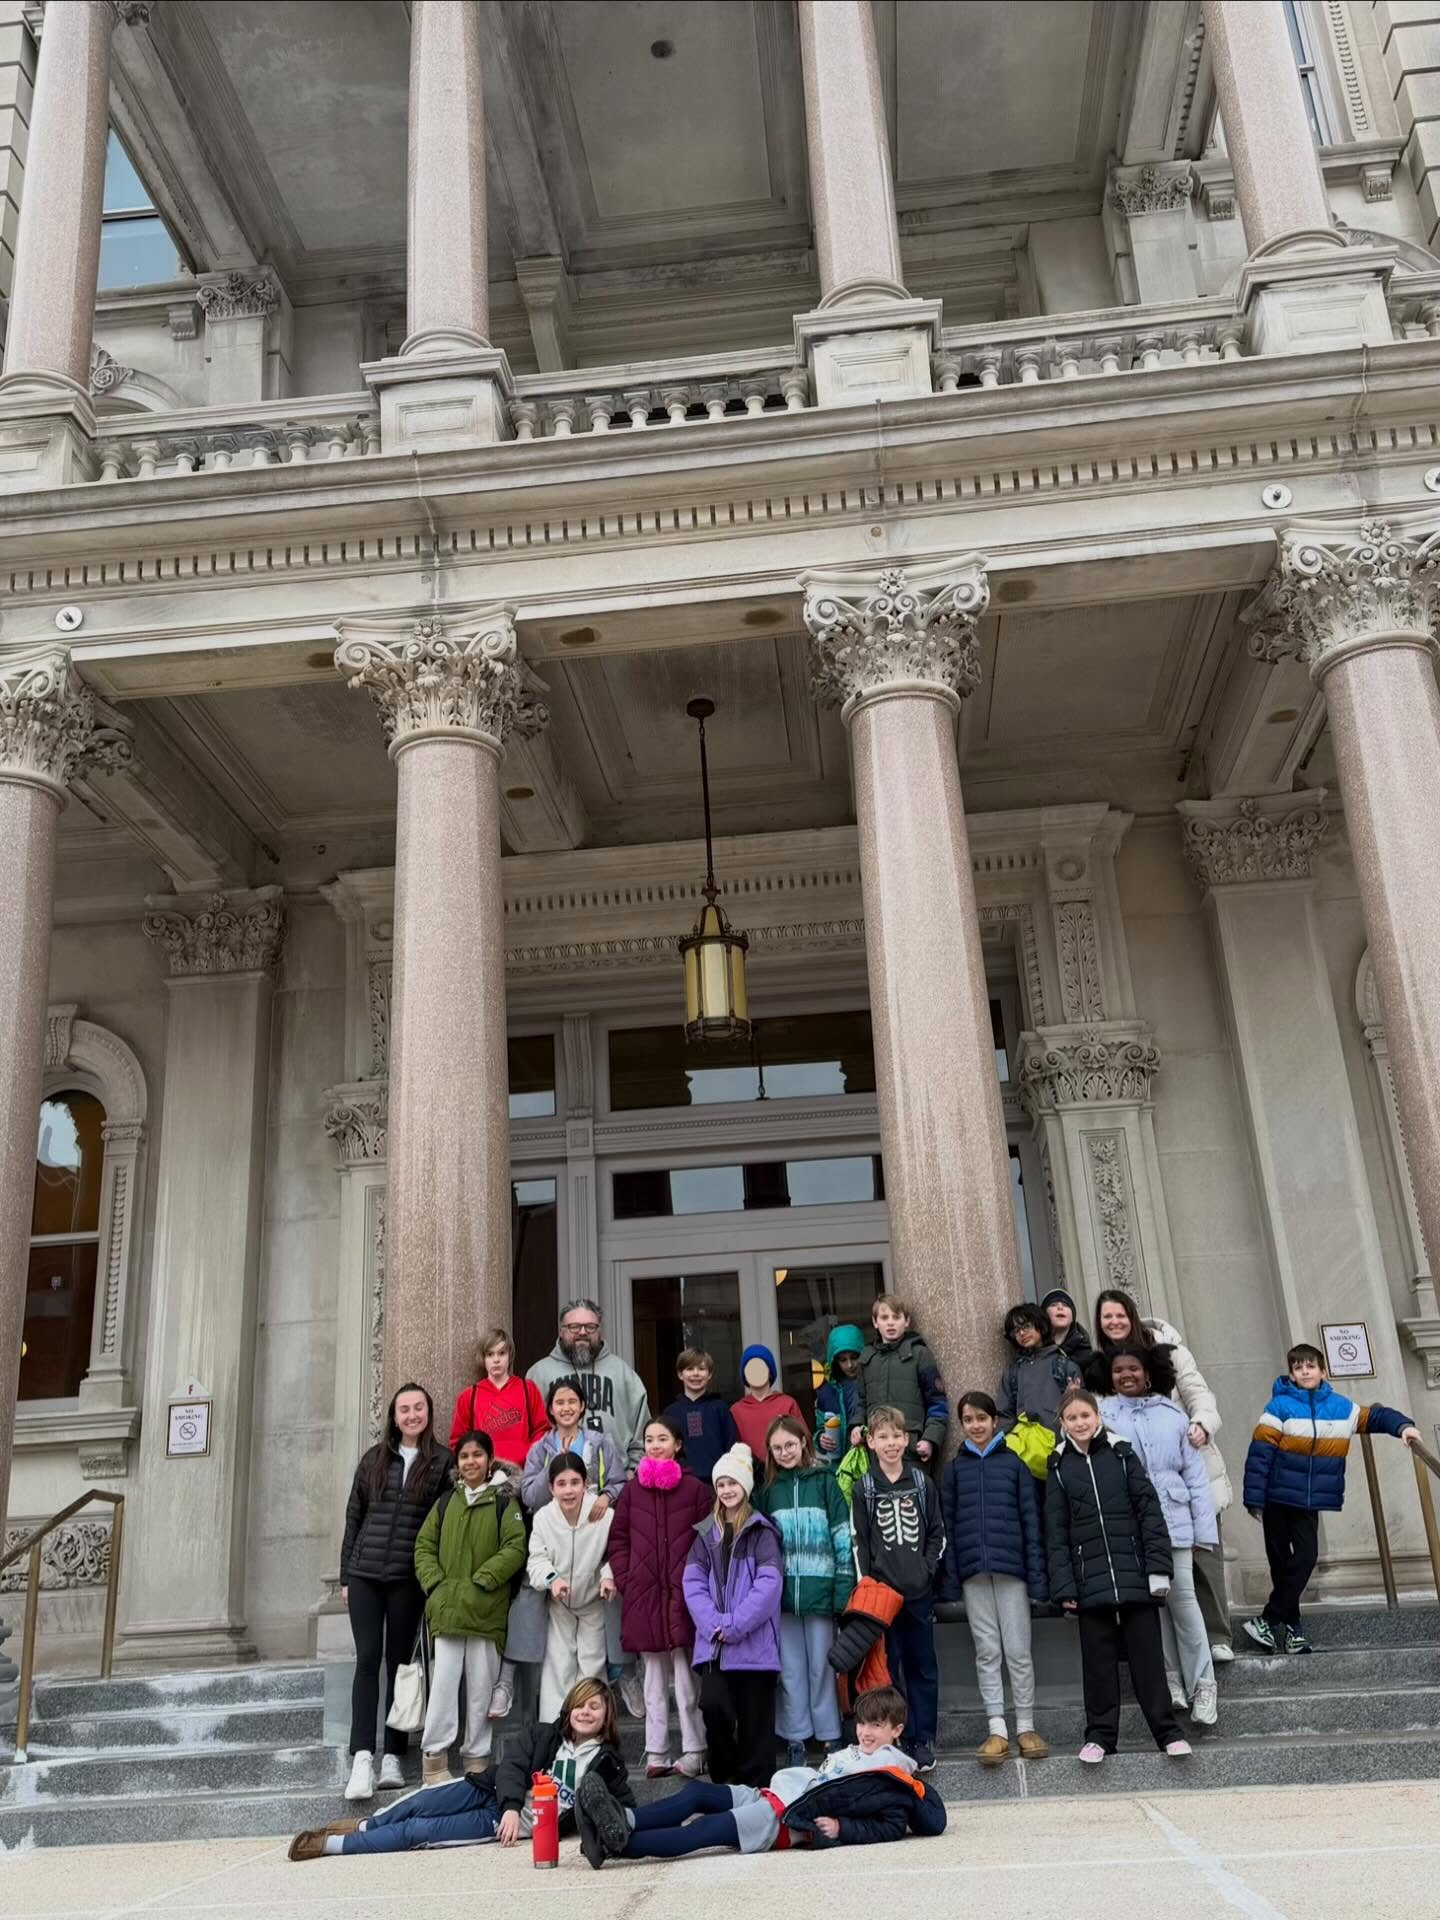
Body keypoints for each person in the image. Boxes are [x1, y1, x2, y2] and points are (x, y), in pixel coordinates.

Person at [573, 1684, 945, 1867]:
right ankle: (623, 1821)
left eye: (876, 1726)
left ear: (897, 1730)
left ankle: (614, 1844)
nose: (865, 1732)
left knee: (702, 1831)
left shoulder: (893, 1777)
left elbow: (891, 1825)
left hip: (786, 1818)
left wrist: (842, 1829)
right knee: (696, 1795)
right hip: (776, 1794)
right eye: (863, 1723)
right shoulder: (859, 1752)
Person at [286, 1677, 631, 1859]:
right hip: (489, 1791)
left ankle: (330, 1846)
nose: (586, 1712)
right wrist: (512, 1806)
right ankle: (362, 1827)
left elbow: (625, 1808)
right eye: (580, 1705)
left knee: (418, 1833)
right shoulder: (544, 1734)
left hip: (501, 1824)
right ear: (568, 1708)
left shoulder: (607, 1764)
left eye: (595, 1707)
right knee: (419, 1802)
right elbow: (512, 1765)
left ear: (606, 1716)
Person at [1242, 1342, 1420, 1654]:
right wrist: (1254, 1500)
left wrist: (1403, 1427)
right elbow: (1259, 1456)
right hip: (1276, 1498)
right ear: (1292, 1374)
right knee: (1281, 1565)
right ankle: (1294, 1631)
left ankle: (1268, 1620)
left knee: (1306, 1558)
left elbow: (1375, 1417)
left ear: (1323, 1371)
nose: (1305, 1371)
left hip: (1307, 1502)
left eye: (1310, 1366)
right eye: (1298, 1367)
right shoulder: (1279, 1408)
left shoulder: (1341, 1408)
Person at [1046, 1386, 1191, 1764]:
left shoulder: (1123, 1455)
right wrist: (1064, 1587)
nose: (1080, 1423)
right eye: (1072, 1418)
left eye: (1085, 1416)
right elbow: (1056, 1531)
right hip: (1088, 1581)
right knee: (1097, 1665)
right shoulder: (1059, 1467)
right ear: (1063, 1423)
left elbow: (1150, 1513)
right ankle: (1100, 1736)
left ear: (1097, 1417)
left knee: (1148, 1661)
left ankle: (1168, 1732)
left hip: (1135, 1576)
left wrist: (1158, 1570)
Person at [1092, 1288, 1236, 1665]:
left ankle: (1217, 1634)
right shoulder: (1101, 1366)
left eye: (1120, 1315)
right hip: (1136, 1481)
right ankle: (1166, 1655)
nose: (1114, 1322)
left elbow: (1199, 1395)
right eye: (1107, 1317)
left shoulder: (1170, 1350)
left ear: (1132, 1316)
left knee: (1202, 1559)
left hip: (1184, 1464)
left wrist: (1202, 1424)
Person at [339, 1382, 451, 1802]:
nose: (411, 1416)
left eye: (418, 1408)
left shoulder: (441, 1461)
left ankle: (393, 1757)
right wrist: (346, 1576)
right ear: (393, 1414)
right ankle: (362, 1756)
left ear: (428, 1413)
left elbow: (441, 1523)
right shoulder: (374, 1459)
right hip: (366, 1574)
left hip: (408, 1577)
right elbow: (354, 1516)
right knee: (367, 1661)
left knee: (402, 1664)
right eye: (404, 1409)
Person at [1099, 1348, 1219, 1727]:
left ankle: (1204, 1684)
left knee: (1184, 1603)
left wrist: (1204, 1531)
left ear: (1147, 1374)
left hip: (1174, 1522)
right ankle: (1170, 1683)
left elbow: (1196, 1478)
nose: (1126, 1375)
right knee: (1152, 1607)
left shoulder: (1173, 1415)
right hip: (1132, 1527)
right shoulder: (1104, 1416)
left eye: (1133, 1368)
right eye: (1119, 1370)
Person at [937, 1390, 1048, 1765]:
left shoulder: (1014, 1465)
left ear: (994, 1420)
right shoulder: (953, 1471)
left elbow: (1031, 1521)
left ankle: (1027, 1726)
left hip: (1012, 1570)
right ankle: (997, 1728)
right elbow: (947, 1528)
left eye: (981, 1418)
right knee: (987, 1652)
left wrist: (1037, 1576)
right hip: (973, 1573)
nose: (976, 1425)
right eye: (968, 1420)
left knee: (1018, 1650)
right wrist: (951, 1579)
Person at [412, 1428, 528, 1782]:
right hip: (447, 1612)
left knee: (481, 1689)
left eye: (477, 1455)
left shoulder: (505, 1504)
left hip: (486, 1611)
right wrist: (436, 1585)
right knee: (443, 1687)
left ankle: (477, 1758)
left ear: (489, 1459)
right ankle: (434, 1759)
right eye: (464, 1457)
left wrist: (484, 1581)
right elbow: (423, 1547)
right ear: (457, 1464)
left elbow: (514, 1547)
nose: (471, 1462)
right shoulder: (445, 1503)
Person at [608, 1412, 713, 1777]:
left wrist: (698, 1581)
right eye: (650, 1439)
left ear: (677, 1445)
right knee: (652, 1679)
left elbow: (709, 1538)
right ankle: (656, 1752)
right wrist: (627, 1579)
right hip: (646, 1595)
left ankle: (695, 1748)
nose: (655, 1445)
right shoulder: (632, 1491)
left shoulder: (696, 1490)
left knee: (686, 1680)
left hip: (685, 1597)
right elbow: (618, 1540)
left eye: (662, 1439)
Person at [683, 1442, 783, 1788]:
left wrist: (737, 1624)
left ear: (746, 1487)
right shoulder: (705, 1534)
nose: (726, 1490)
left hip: (753, 1644)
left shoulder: (761, 1532)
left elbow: (769, 1586)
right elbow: (692, 1583)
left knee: (756, 1721)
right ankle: (725, 1781)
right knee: (714, 1708)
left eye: (733, 1483)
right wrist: (714, 1623)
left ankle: (757, 1788)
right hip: (715, 1646)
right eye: (721, 1484)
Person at [753, 1414, 852, 1764]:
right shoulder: (767, 1491)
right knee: (791, 1667)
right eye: (777, 1448)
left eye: (790, 1445)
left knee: (822, 1665)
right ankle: (796, 1735)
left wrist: (843, 1588)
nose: (784, 1452)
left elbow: (842, 1535)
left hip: (821, 1590)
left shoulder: (825, 1481)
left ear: (804, 1443)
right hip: (782, 1596)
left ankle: (828, 1733)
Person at [850, 1405, 944, 1772]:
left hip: (918, 1593)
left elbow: (937, 1532)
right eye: (883, 1437)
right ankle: (894, 1738)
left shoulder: (922, 1483)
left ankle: (923, 1738)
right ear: (871, 1442)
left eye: (896, 1436)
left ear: (907, 1439)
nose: (890, 1443)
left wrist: (926, 1569)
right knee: (889, 1669)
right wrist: (869, 1588)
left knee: (923, 1666)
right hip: (883, 1599)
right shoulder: (865, 1488)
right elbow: (859, 1541)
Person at [528, 1455, 617, 1719]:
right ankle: (555, 1736)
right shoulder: (544, 1518)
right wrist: (552, 1579)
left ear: (586, 1484)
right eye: (561, 1484)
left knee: (592, 1666)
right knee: (558, 1670)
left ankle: (594, 1732)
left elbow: (618, 1551)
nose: (568, 1490)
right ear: (551, 1488)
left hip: (592, 1604)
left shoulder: (605, 1516)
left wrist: (608, 1575)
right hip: (559, 1606)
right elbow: (536, 1559)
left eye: (575, 1483)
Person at [527, 1297, 651, 1472]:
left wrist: (632, 1470)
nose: (583, 1332)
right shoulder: (539, 1374)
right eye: (574, 1327)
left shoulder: (623, 1373)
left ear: (599, 1331)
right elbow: (528, 1433)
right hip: (558, 1483)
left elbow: (643, 1431)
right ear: (561, 1331)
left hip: (615, 1483)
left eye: (590, 1327)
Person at [854, 1295, 947, 1466]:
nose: (890, 1323)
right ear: (875, 1322)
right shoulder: (866, 1359)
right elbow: (860, 1402)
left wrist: (930, 1439)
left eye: (896, 1317)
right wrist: (856, 1426)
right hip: (876, 1451)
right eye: (884, 1317)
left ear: (906, 1321)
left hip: (911, 1449)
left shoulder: (919, 1354)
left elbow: (937, 1402)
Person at [521, 1377, 625, 1513]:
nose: (566, 1408)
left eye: (572, 1402)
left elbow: (619, 1483)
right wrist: (553, 1464)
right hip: (553, 1528)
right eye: (559, 1403)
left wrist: (606, 1497)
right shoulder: (539, 1449)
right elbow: (530, 1498)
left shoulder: (600, 1443)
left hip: (593, 1524)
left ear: (582, 1406)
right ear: (551, 1409)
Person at [447, 1328, 548, 1463]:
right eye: (490, 1354)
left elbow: (541, 1430)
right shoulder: (469, 1396)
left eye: (501, 1353)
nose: (496, 1360)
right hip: (484, 1475)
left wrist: (530, 1457)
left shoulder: (528, 1389)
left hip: (523, 1472)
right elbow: (458, 1441)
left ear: (509, 1355)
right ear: (483, 1358)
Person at [997, 1302, 1081, 1438]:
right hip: (1025, 1451)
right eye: (1016, 1330)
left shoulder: (1064, 1366)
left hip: (1062, 1447)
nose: (1022, 1333)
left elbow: (1082, 1411)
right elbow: (1004, 1417)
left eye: (1026, 1326)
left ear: (1041, 1325)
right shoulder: (1013, 1373)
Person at [662, 1347, 739, 1488]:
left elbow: (732, 1446)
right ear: (680, 1374)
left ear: (709, 1374)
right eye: (690, 1369)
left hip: (717, 1484)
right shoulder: (670, 1413)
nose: (696, 1374)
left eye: (701, 1369)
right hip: (680, 1484)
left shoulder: (720, 1408)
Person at [730, 1343, 804, 1457]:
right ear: (744, 1375)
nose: (756, 1372)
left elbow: (803, 1439)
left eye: (760, 1367)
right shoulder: (736, 1411)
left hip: (785, 1469)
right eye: (750, 1368)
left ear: (770, 1372)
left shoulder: (787, 1403)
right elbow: (733, 1449)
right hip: (750, 1472)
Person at [814, 1324, 865, 1469]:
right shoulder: (827, 1392)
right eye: (843, 1360)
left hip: (870, 1459)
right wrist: (820, 1439)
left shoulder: (871, 1383)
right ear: (835, 1361)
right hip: (841, 1464)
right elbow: (819, 1428)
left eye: (854, 1357)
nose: (850, 1365)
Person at [1039, 1288, 1093, 1369]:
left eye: (1066, 1305)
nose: (1060, 1307)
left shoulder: (1087, 1355)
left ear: (1072, 1317)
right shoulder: (1035, 1352)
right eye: (1053, 1304)